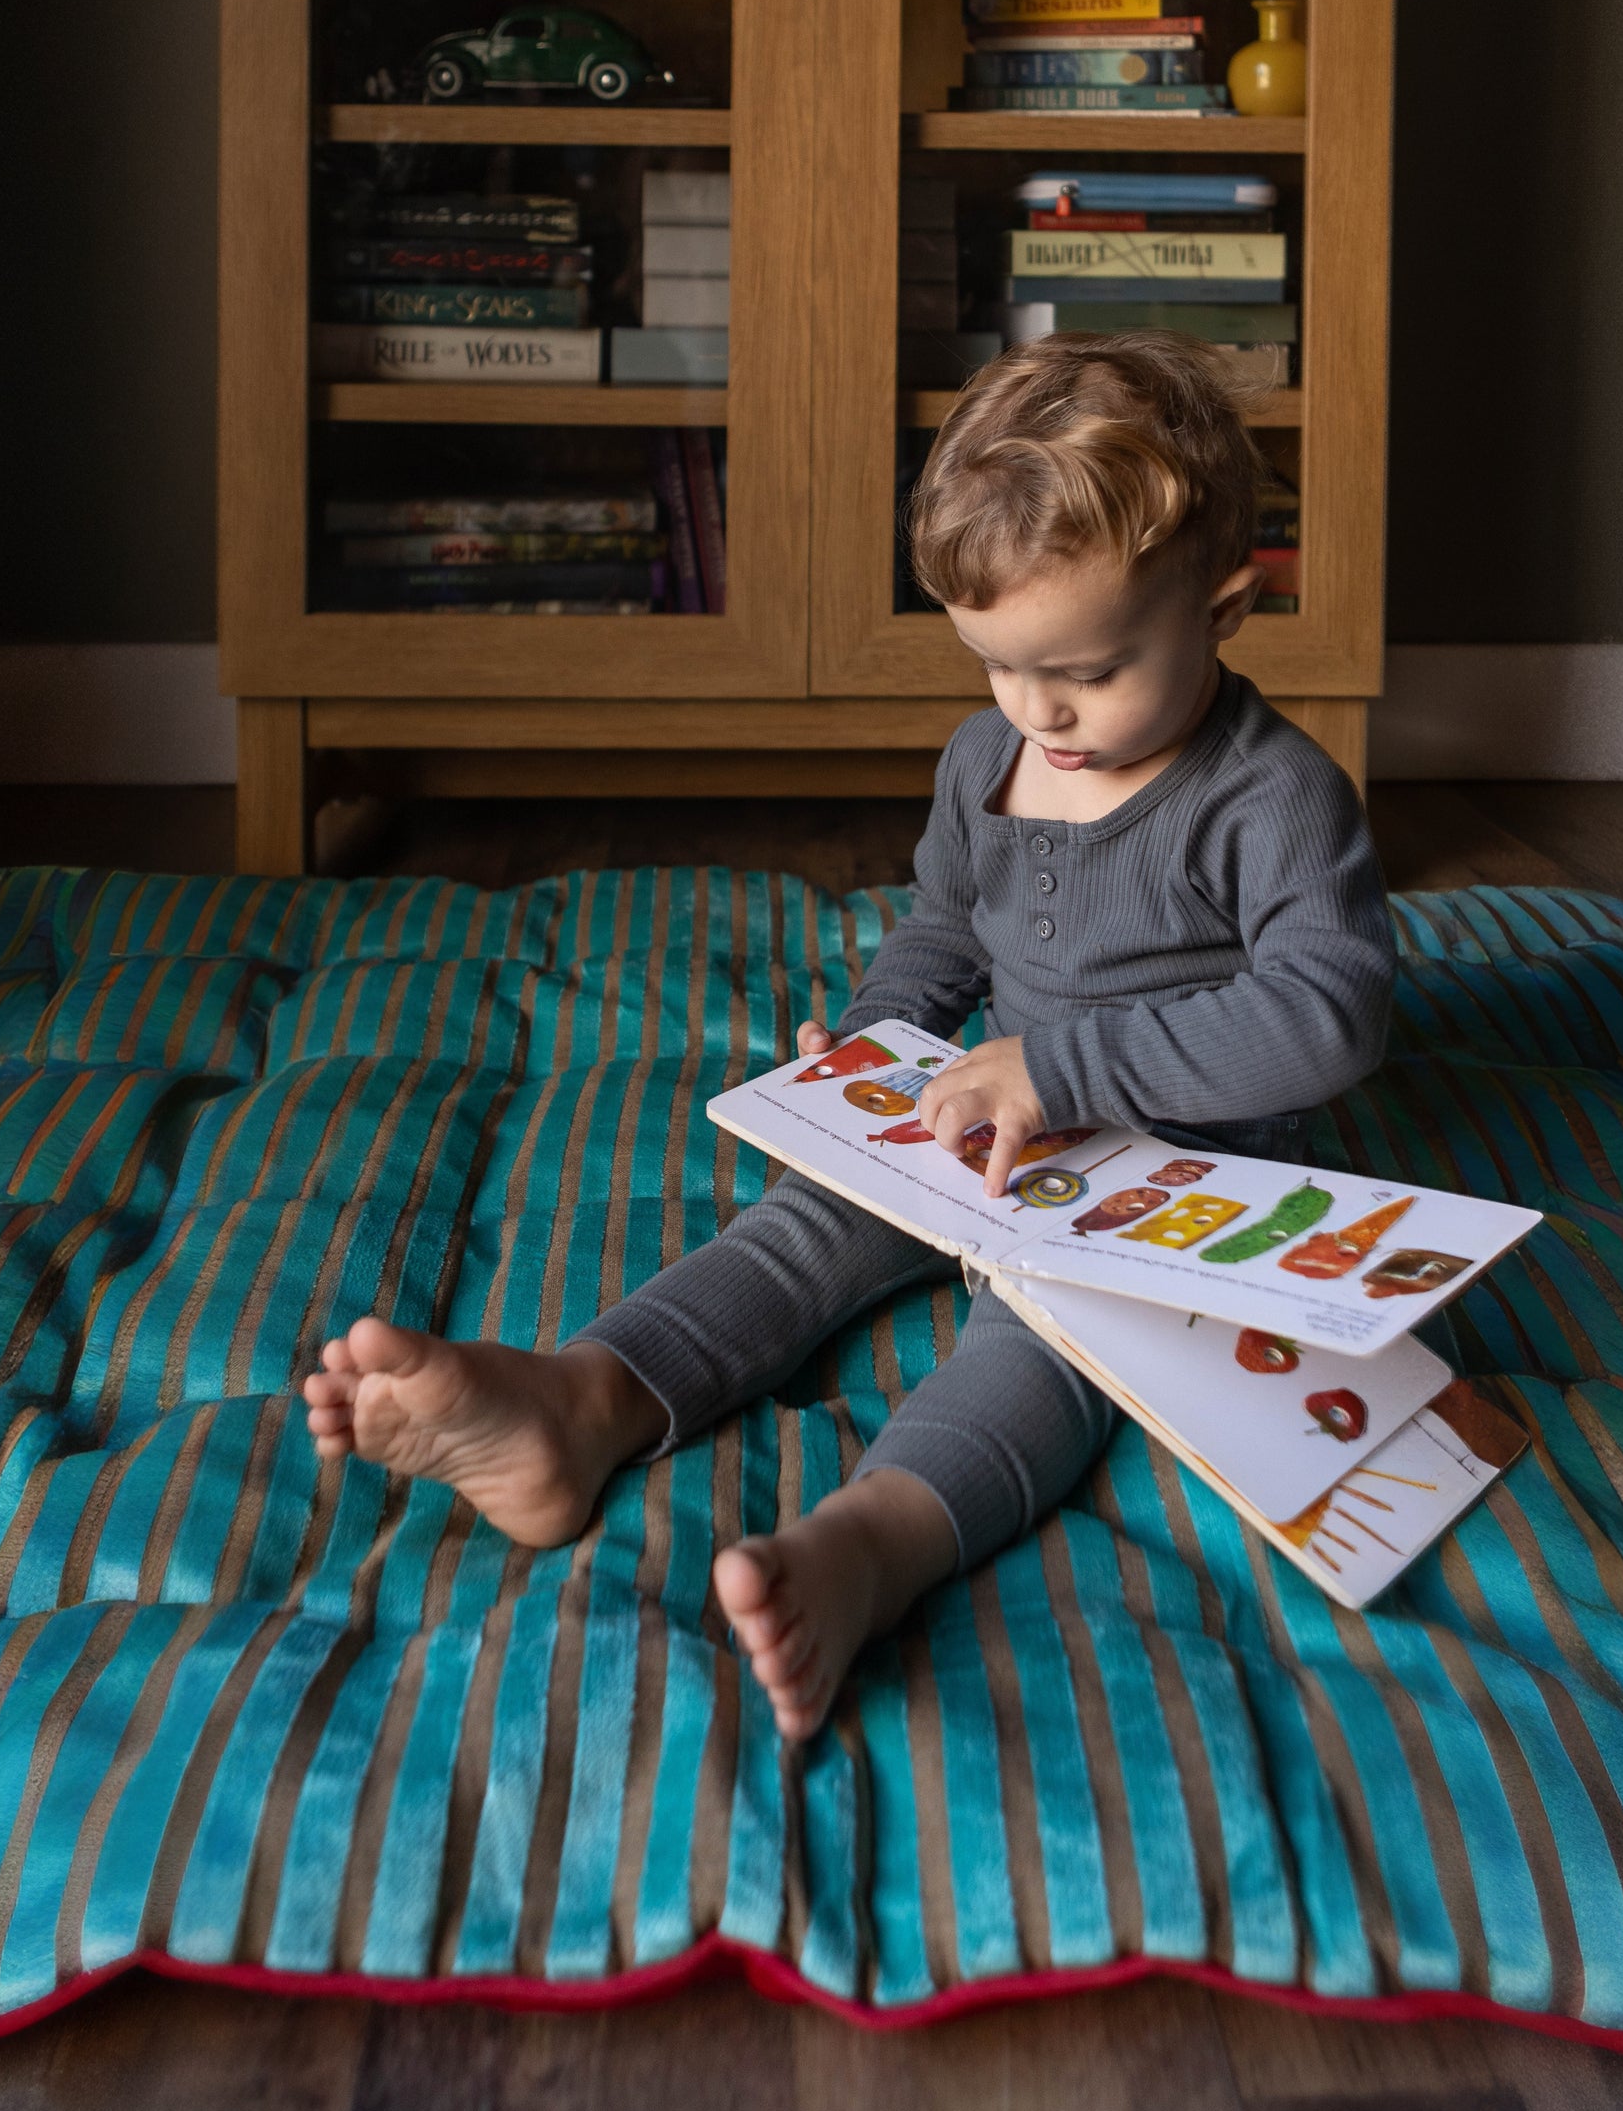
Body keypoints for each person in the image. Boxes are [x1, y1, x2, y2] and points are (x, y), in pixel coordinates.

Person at [302, 333, 1397, 1741]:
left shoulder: (1276, 796)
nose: (1041, 713)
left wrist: (1064, 1067)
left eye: (1090, 671)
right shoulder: (987, 757)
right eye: (1000, 667)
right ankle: (581, 1403)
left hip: (1177, 1182)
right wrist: (878, 1048)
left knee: (1048, 1346)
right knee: (804, 1224)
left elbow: (1333, 1013)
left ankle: (868, 1545)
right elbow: (947, 931)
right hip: (998, 1122)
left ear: (1228, 607)